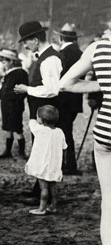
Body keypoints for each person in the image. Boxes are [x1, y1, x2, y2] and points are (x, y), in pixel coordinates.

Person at [60, 34, 111, 245]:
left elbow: (66, 83)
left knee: (109, 206)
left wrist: (103, 85)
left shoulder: (99, 47)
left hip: (106, 133)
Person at [14, 21, 63, 196]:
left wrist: (27, 89)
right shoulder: (43, 57)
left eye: (26, 41)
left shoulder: (50, 59)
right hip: (41, 111)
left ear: (35, 40)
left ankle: (43, 194)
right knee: (40, 149)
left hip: (47, 112)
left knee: (44, 152)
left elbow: (52, 89)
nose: (25, 45)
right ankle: (39, 190)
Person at [25, 106, 67, 215]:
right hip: (54, 165)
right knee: (53, 186)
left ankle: (42, 208)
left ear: (41, 120)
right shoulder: (59, 132)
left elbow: (31, 122)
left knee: (44, 188)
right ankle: (53, 206)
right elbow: (64, 147)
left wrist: (36, 118)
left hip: (42, 164)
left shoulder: (39, 130)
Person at [55, 23, 84, 175]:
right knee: (68, 131)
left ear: (61, 38)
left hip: (63, 98)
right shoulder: (80, 53)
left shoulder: (62, 54)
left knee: (63, 131)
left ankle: (67, 164)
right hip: (75, 98)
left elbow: (59, 77)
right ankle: (69, 163)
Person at [0, 48, 29, 159]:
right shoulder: (8, 73)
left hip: (14, 105)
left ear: (12, 61)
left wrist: (12, 97)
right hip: (6, 104)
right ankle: (7, 150)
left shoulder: (19, 73)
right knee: (8, 127)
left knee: (17, 127)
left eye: (5, 61)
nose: (3, 64)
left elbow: (21, 90)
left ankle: (22, 152)